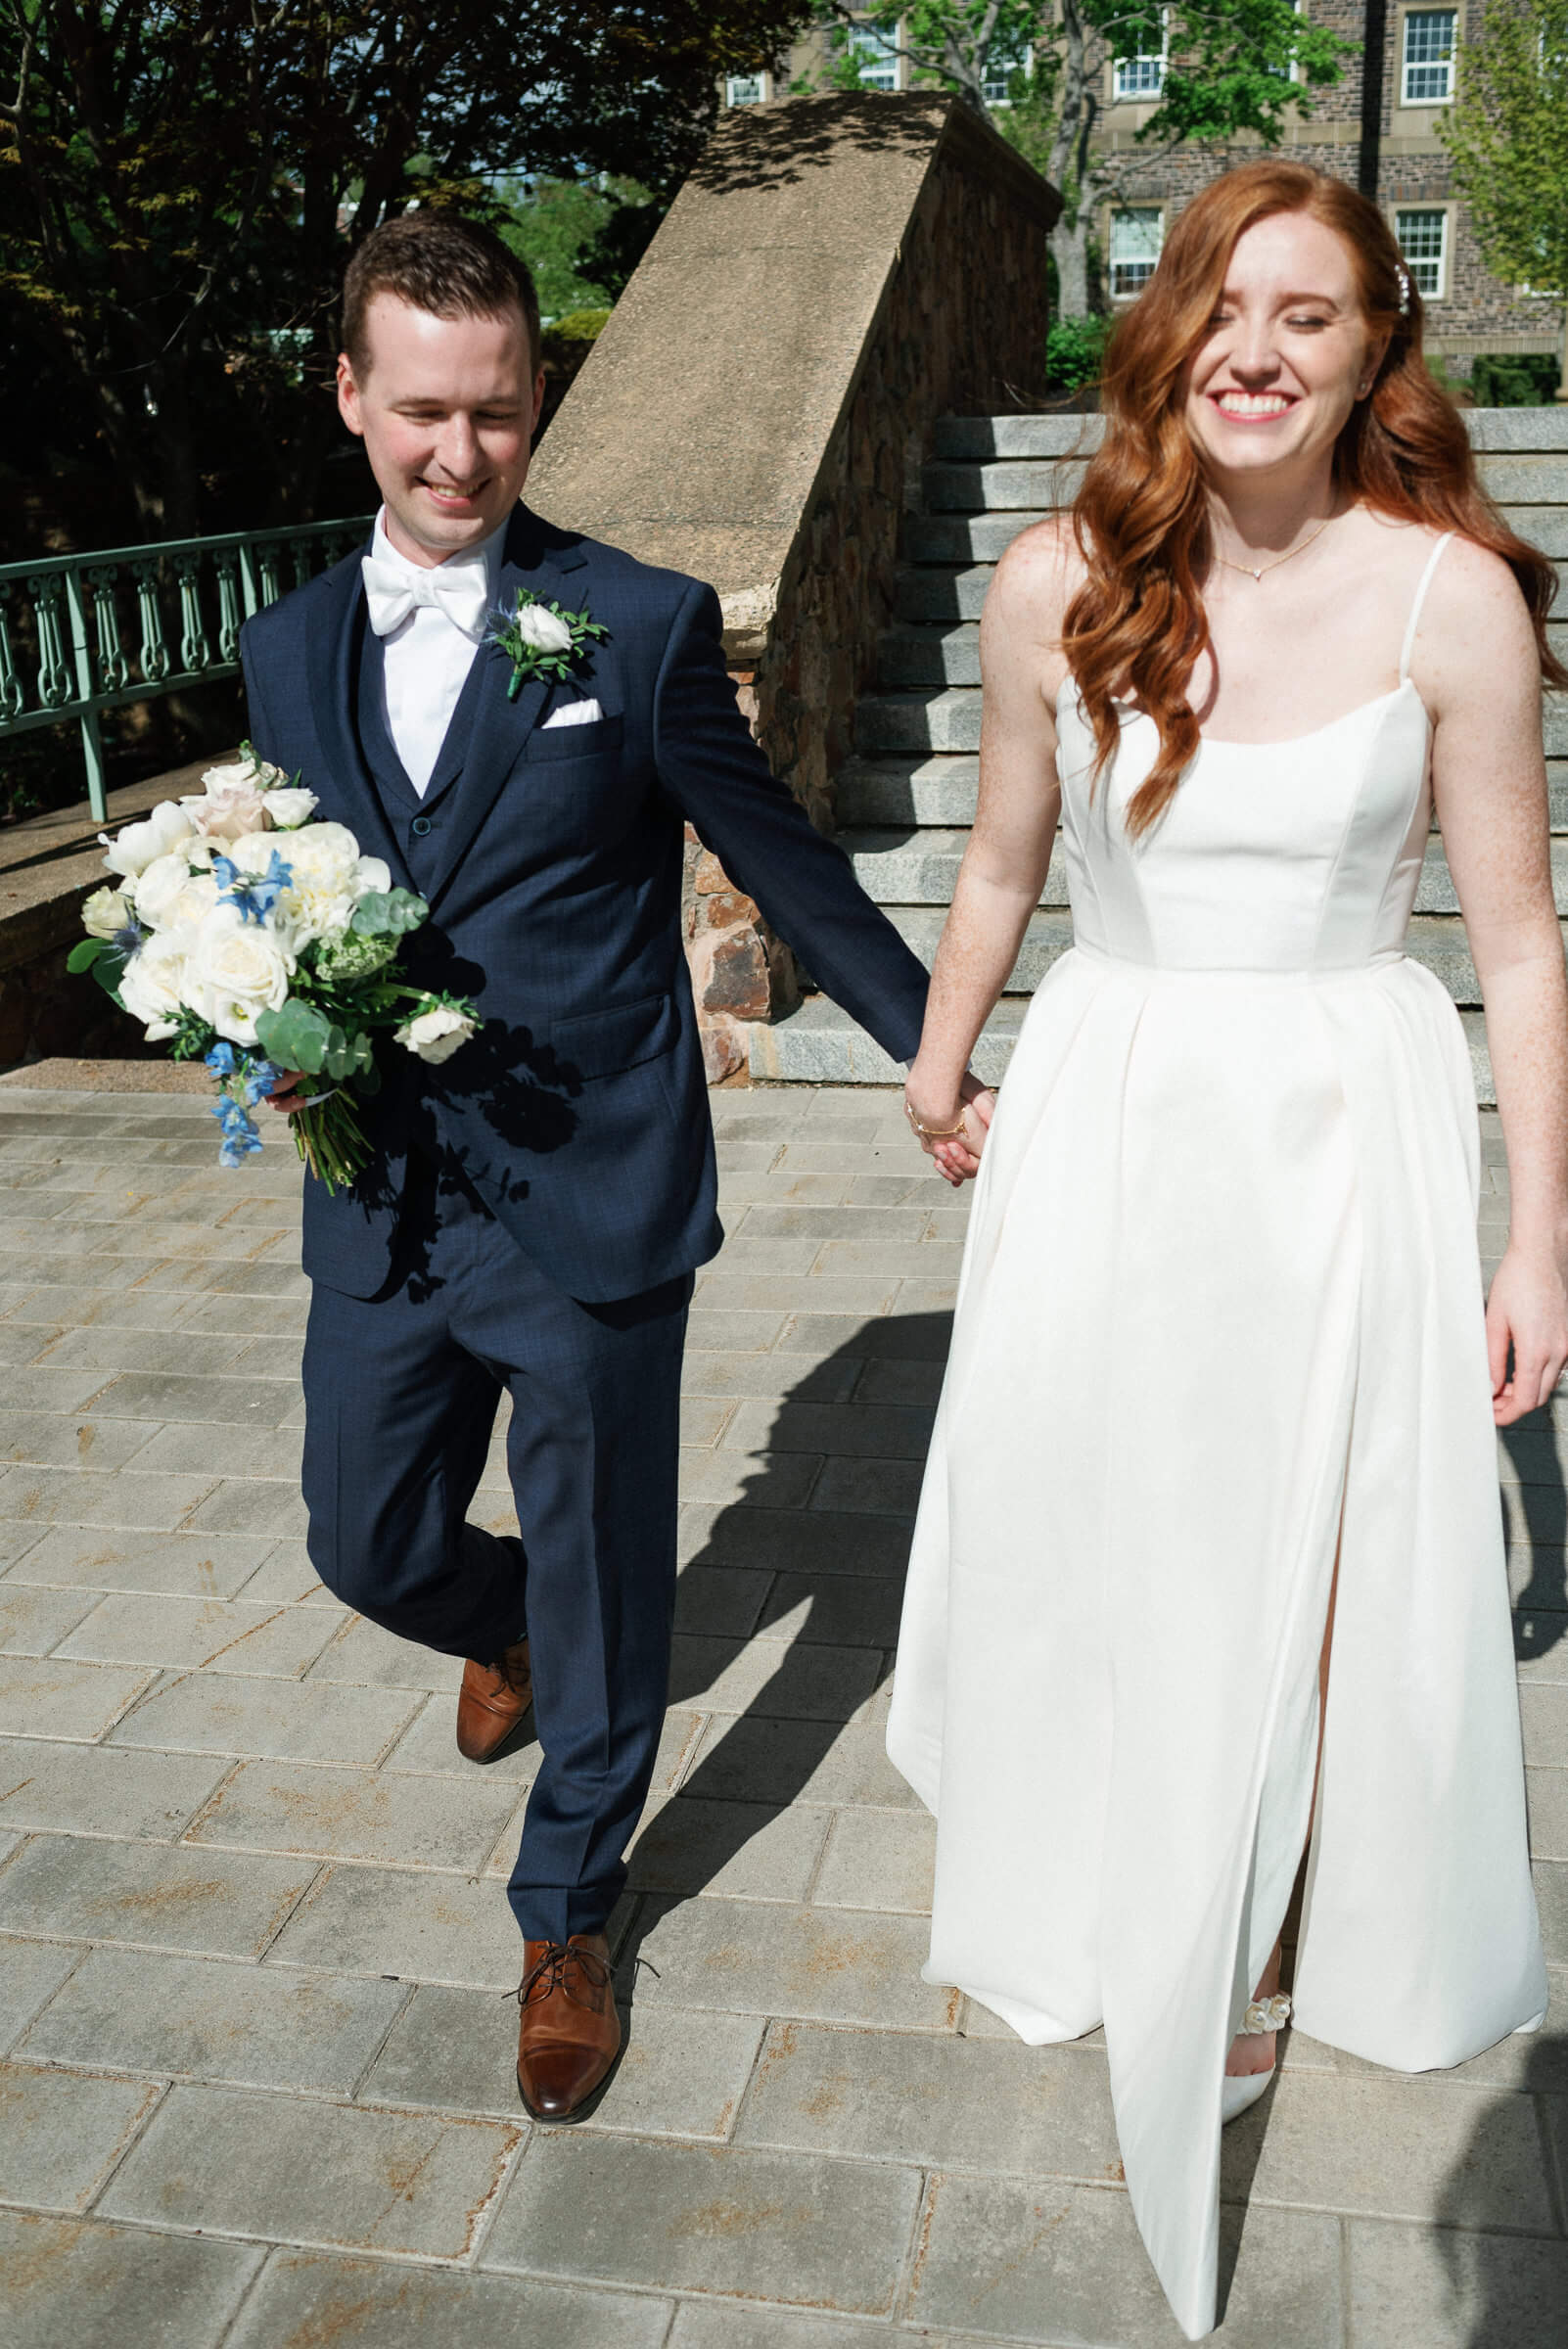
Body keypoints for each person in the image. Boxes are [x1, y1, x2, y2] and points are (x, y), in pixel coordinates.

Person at [886, 161, 1564, 2340]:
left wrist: (1541, 1238)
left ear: (1379, 350)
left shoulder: (1451, 599)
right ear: (1168, 329)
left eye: (1315, 313)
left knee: (1329, 1535)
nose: (1260, 349)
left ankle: (1266, 1927)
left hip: (1343, 1119)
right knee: (1115, 1515)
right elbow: (999, 861)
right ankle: (1118, 1851)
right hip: (1110, 1108)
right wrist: (937, 1050)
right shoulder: (1051, 580)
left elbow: (1525, 946)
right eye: (1223, 306)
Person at [240, 211, 963, 2123]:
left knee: (607, 1567)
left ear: (537, 396)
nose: (458, 454)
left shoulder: (626, 624)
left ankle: (570, 1912)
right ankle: (502, 1628)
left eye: (494, 412)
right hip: (378, 1188)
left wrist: (937, 1048)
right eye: (419, 413)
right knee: (360, 1536)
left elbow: (782, 852)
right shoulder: (285, 646)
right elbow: (286, 892)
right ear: (349, 397)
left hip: (589, 1190)